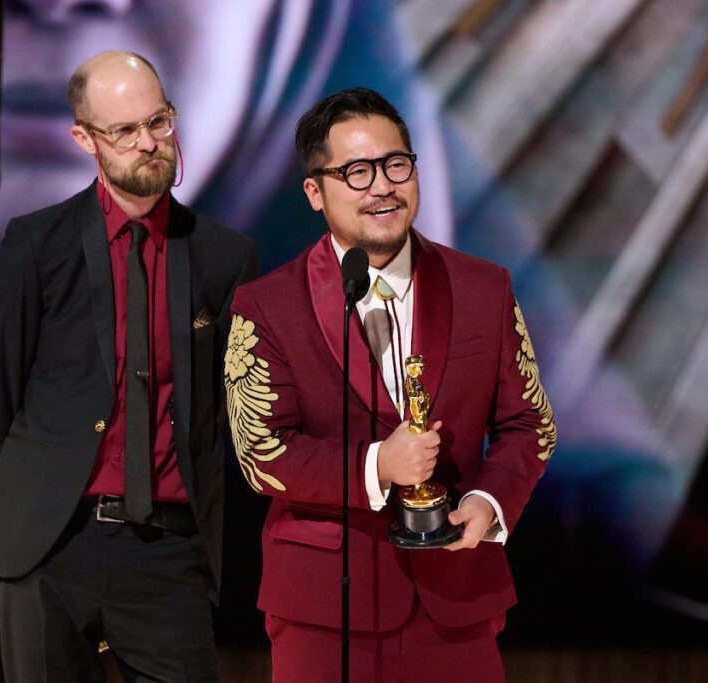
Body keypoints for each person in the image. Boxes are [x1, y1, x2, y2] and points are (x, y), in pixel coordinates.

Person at [225, 87, 555, 682]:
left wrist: (488, 502)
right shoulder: (266, 305)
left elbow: (529, 424)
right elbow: (260, 453)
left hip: (456, 600)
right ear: (315, 193)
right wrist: (378, 464)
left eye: (395, 164)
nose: (381, 186)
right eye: (355, 172)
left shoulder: (485, 288)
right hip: (325, 610)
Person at [0, 51, 257, 681]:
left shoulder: (223, 257)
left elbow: (229, 410)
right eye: (124, 131)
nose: (149, 143)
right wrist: (26, 478)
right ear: (85, 138)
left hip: (168, 550)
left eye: (159, 121)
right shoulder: (35, 244)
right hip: (50, 543)